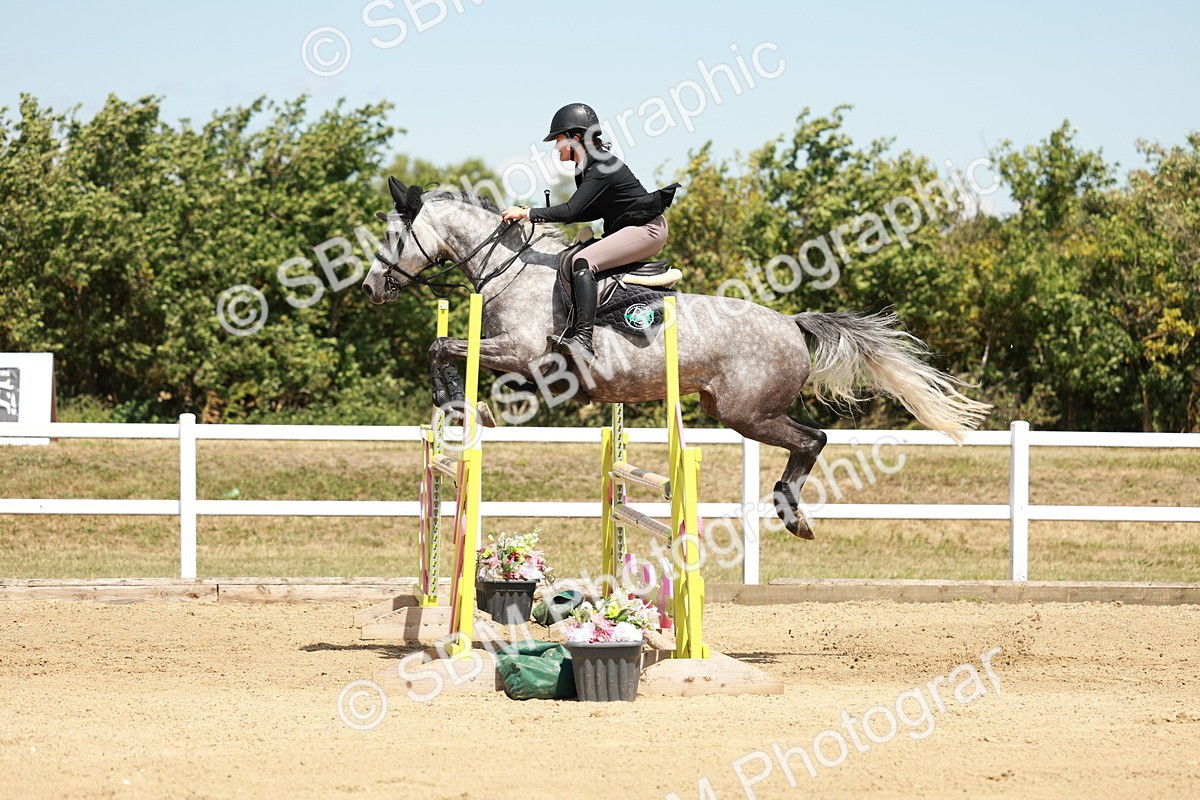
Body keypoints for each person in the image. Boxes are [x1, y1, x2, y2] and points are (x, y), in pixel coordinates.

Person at [502, 103, 678, 364]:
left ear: (575, 138)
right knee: (577, 255)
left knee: (582, 261)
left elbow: (570, 209)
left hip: (648, 230)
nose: (556, 148)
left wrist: (528, 213)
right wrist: (539, 214)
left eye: (558, 140)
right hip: (634, 228)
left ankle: (584, 339)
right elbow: (586, 212)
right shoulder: (585, 167)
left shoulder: (601, 165)